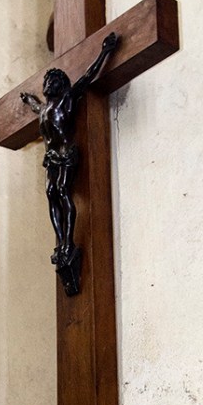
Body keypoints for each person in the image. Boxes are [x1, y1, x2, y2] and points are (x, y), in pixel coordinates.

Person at [21, 32, 118, 291]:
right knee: (52, 193)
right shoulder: (43, 109)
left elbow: (87, 76)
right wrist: (27, 99)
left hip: (66, 154)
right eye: (46, 81)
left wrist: (105, 51)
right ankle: (62, 242)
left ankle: (67, 245)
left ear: (61, 85)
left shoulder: (67, 100)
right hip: (51, 158)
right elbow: (33, 105)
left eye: (53, 80)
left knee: (64, 191)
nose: (48, 84)